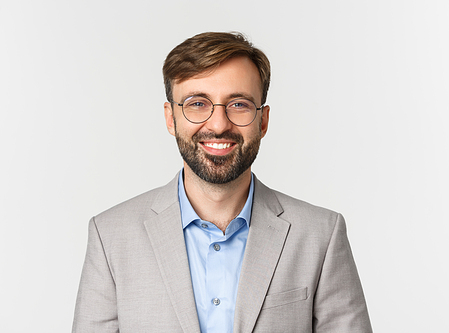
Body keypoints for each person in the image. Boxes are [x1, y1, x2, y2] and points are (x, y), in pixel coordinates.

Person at [72, 32, 372, 333]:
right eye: (198, 103)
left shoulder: (320, 234)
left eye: (239, 104)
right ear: (170, 118)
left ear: (263, 121)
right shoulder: (110, 236)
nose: (218, 124)